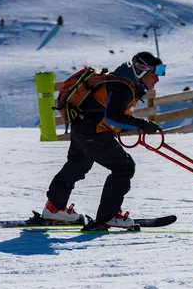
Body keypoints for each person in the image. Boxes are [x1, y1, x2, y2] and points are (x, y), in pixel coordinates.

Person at [41, 51, 166, 230]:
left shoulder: (120, 81)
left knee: (77, 166)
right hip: (93, 131)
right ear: (142, 72)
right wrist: (142, 125)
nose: (157, 80)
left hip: (83, 127)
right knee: (124, 167)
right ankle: (109, 216)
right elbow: (113, 117)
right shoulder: (123, 85)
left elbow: (106, 113)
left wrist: (129, 125)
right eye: (154, 75)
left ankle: (54, 210)